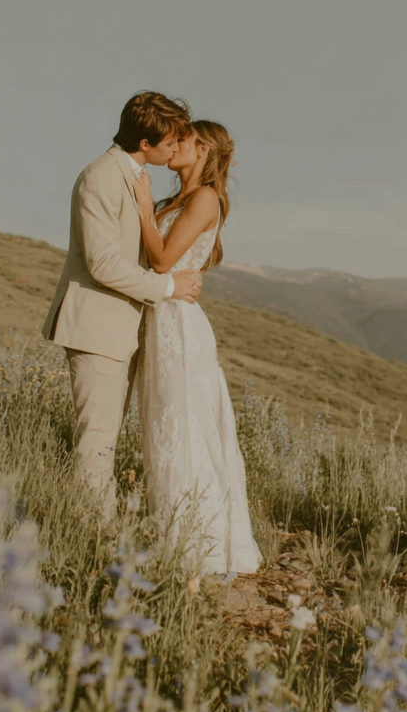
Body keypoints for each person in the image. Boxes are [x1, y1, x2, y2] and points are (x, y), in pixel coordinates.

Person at [42, 92, 203, 512]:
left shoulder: (130, 174)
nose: (176, 149)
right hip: (96, 326)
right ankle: (92, 534)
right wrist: (168, 287)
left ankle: (100, 530)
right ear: (145, 143)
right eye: (170, 142)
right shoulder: (101, 176)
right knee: (96, 441)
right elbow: (103, 263)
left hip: (120, 328)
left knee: (105, 438)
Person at [133, 121, 262, 575]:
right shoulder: (178, 201)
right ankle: (171, 532)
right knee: (164, 428)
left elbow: (163, 260)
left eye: (182, 139)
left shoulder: (205, 197)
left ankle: (199, 546)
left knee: (185, 426)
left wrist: (145, 208)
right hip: (160, 318)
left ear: (203, 148)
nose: (173, 145)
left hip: (179, 327)